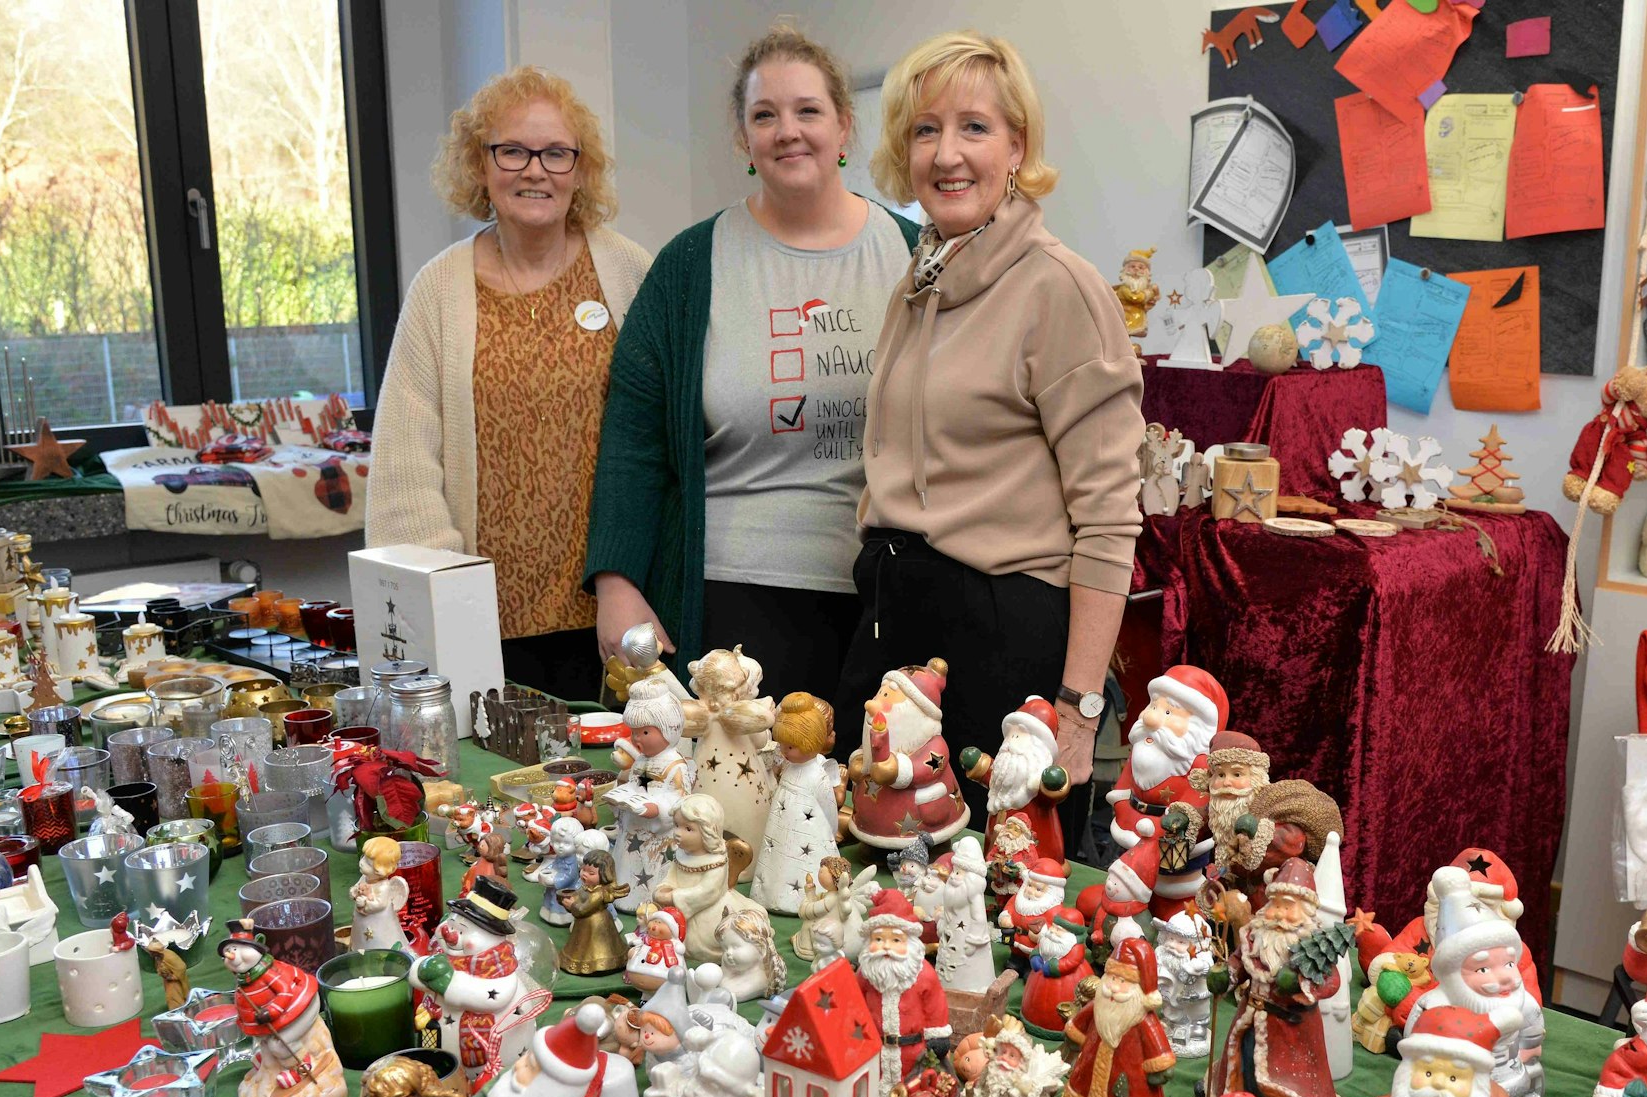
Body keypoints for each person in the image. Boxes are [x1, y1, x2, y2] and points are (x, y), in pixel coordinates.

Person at [835, 31, 1145, 844]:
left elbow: (1109, 519)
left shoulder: (1060, 287)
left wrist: (1078, 715)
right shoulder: (923, 274)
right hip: (897, 621)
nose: (947, 153)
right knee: (879, 896)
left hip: (1005, 644)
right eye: (925, 129)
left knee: (997, 917)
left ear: (1018, 145)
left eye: (974, 127)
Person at [587, 26, 924, 700]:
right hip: (727, 607)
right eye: (764, 115)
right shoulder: (689, 266)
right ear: (744, 139)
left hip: (881, 600)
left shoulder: (916, 255)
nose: (787, 131)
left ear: (844, 125)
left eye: (807, 110)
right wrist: (615, 584)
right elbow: (633, 439)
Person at [370, 66, 652, 702]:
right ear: (481, 165)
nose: (535, 170)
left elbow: (661, 441)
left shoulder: (630, 273)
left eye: (556, 153)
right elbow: (405, 470)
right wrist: (447, 603)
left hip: (616, 608)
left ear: (580, 169)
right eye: (513, 151)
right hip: (482, 624)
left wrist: (631, 575)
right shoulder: (438, 292)